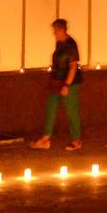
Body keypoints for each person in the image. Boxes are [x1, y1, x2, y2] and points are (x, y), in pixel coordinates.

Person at [30, 19, 82, 151]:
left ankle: (77, 140)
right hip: (57, 80)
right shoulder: (59, 43)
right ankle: (46, 138)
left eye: (55, 31)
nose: (54, 33)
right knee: (51, 107)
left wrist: (67, 85)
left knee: (71, 110)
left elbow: (73, 67)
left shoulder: (71, 45)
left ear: (62, 30)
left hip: (69, 82)